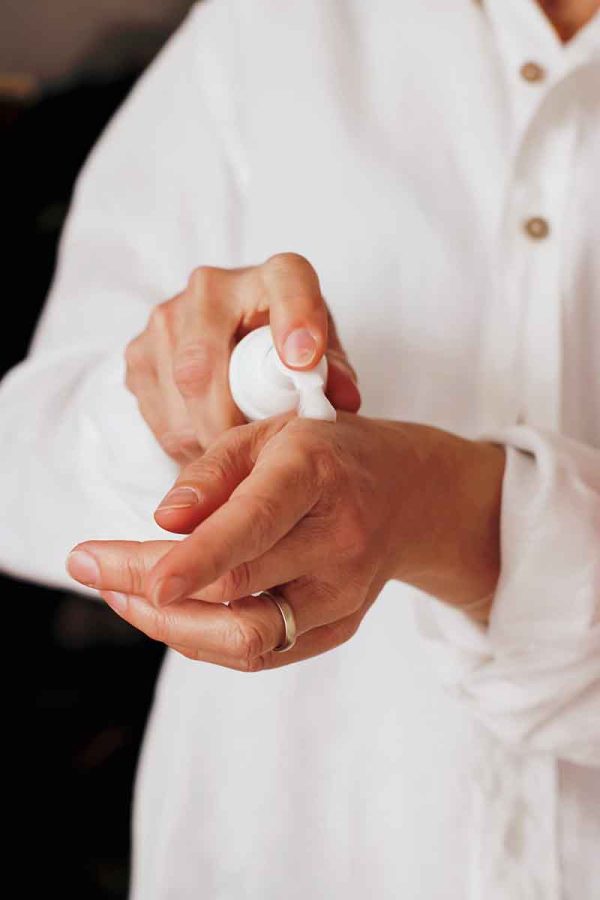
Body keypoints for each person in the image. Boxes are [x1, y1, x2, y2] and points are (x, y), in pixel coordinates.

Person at [1, 0, 599, 896]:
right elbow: (23, 468)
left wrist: (451, 511)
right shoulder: (271, 28)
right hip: (278, 853)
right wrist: (180, 405)